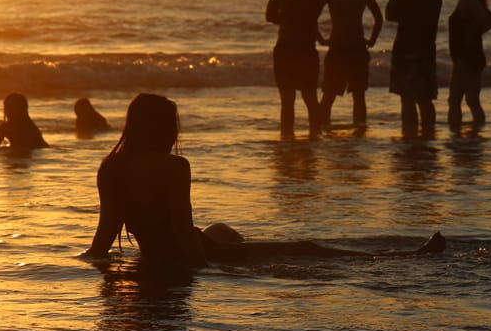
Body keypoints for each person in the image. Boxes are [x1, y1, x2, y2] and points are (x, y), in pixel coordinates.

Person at [81, 93, 445, 268]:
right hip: (196, 253)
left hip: (162, 254)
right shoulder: (174, 167)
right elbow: (180, 230)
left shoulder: (111, 167)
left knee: (222, 227)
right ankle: (405, 258)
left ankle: (241, 245)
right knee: (307, 249)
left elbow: (102, 238)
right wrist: (208, 272)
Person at [317, 0, 383, 130]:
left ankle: (359, 130)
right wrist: (320, 38)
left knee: (358, 95)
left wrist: (373, 39)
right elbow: (312, 15)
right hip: (339, 49)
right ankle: (321, 128)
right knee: (329, 94)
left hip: (357, 50)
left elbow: (379, 18)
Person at [265, 0, 324, 138]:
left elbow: (270, 16)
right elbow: (314, 18)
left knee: (287, 100)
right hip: (306, 48)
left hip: (286, 48)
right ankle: (315, 137)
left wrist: (288, 18)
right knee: (310, 97)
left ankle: (287, 139)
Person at [386, 0, 442, 139]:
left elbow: (390, 14)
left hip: (404, 48)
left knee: (407, 99)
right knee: (425, 99)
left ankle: (409, 136)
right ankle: (428, 135)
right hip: (426, 48)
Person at [446, 0, 491, 130]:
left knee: (454, 99)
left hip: (466, 58)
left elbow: (487, 19)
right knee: (471, 100)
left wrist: (471, 34)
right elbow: (489, 19)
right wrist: (475, 33)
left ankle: (456, 134)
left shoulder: (467, 0)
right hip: (471, 57)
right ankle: (476, 133)